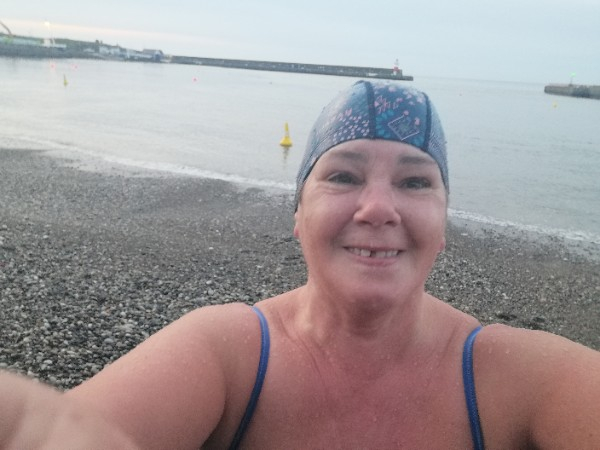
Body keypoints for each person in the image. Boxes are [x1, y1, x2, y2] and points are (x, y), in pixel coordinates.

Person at [3, 80, 600, 449]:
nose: (378, 208)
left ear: (443, 225)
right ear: (298, 214)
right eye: (342, 175)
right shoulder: (228, 356)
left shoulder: (520, 378)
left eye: (416, 182)